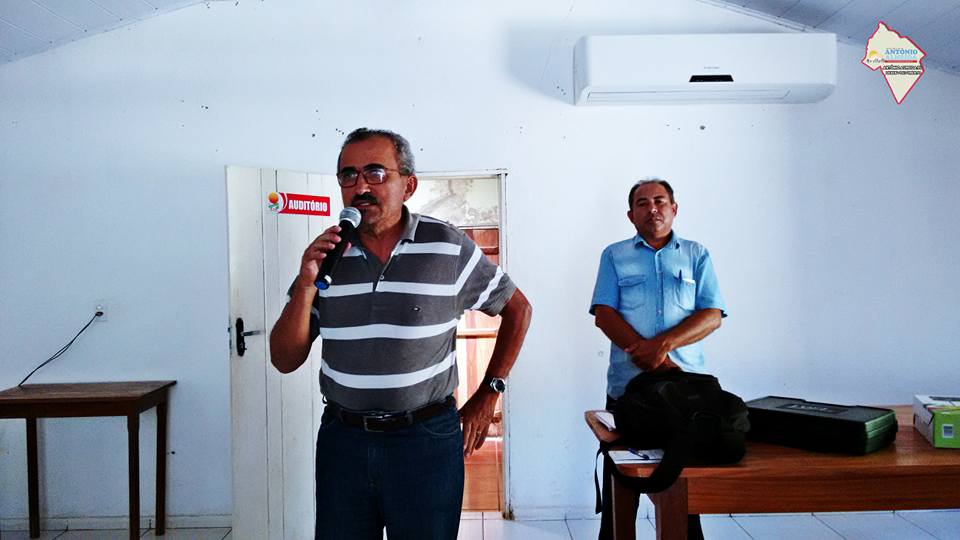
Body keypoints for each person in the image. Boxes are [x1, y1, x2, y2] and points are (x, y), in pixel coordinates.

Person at [269, 128, 531, 540]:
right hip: (344, 441)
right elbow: (284, 359)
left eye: (375, 173)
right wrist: (304, 286)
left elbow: (518, 309)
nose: (360, 186)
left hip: (425, 441)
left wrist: (489, 392)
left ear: (408, 185)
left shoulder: (447, 246)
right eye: (349, 175)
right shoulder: (327, 256)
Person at [590, 179, 726, 540]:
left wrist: (662, 346)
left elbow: (712, 314)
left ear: (674, 208)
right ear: (631, 215)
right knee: (620, 491)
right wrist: (650, 357)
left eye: (660, 201)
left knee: (684, 487)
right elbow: (604, 314)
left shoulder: (697, 255)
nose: (652, 209)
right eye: (642, 203)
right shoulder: (614, 255)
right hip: (628, 392)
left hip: (686, 394)